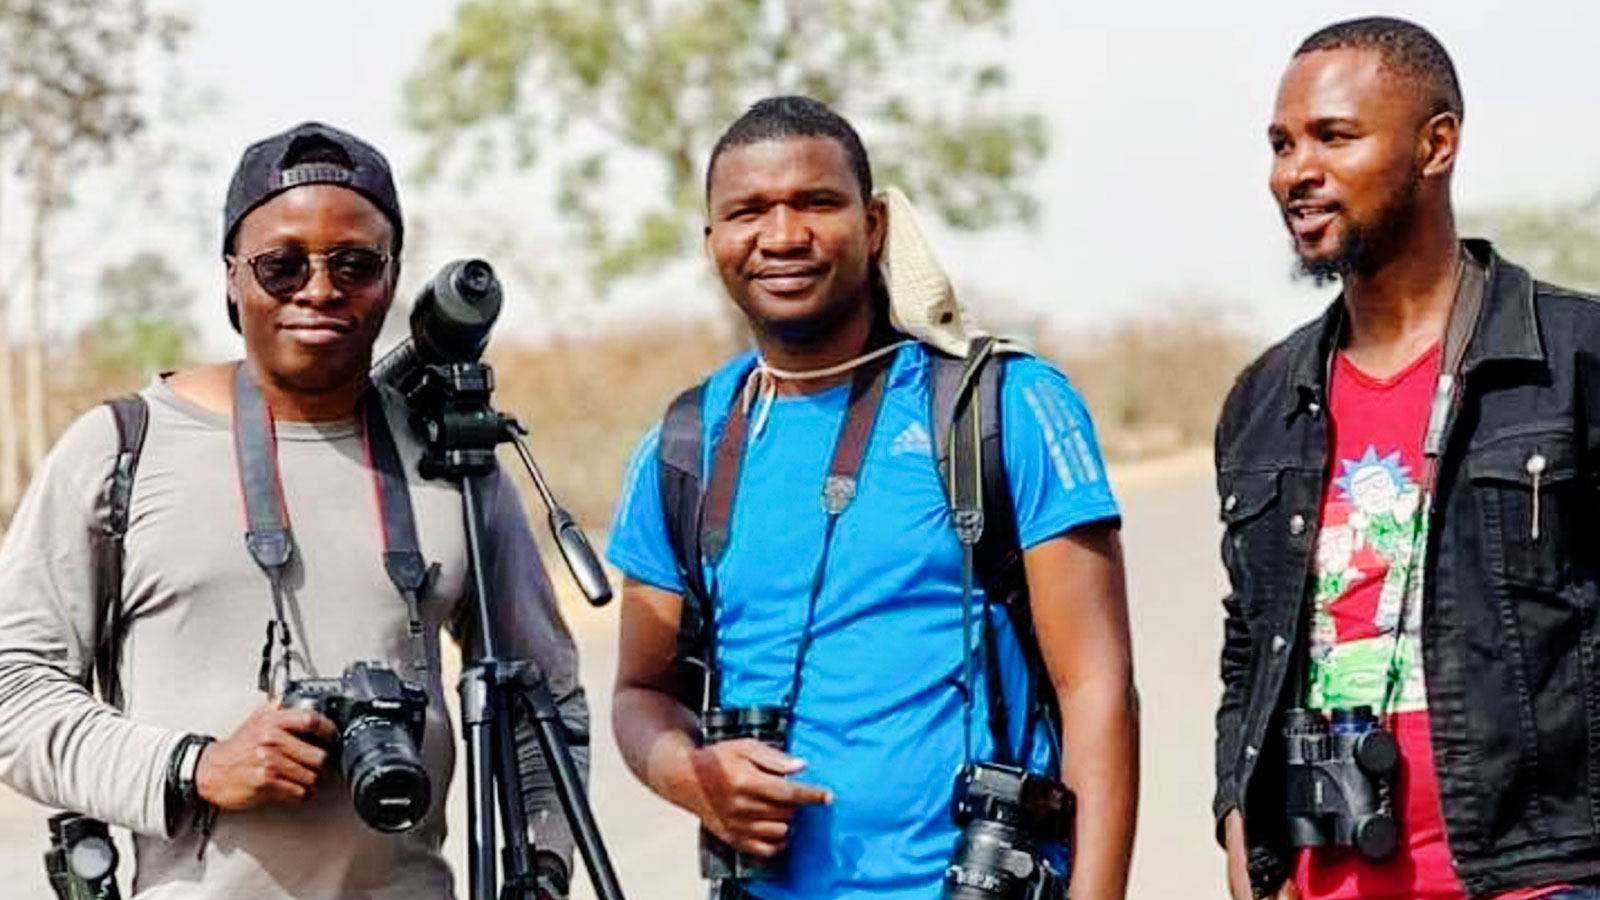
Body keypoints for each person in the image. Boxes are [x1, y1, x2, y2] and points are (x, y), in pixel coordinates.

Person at [0, 122, 587, 899]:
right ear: (230, 276)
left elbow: (543, 701)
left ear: (391, 276)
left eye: (354, 264)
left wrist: (539, 870)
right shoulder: (120, 448)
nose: (319, 289)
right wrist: (193, 766)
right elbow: (13, 685)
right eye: (281, 265)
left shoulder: (453, 456)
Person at [607, 96, 1138, 900]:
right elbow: (642, 691)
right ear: (713, 241)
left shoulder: (1000, 408)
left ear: (877, 223)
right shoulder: (685, 448)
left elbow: (1096, 688)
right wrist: (688, 773)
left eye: (817, 203)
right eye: (748, 211)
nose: (783, 235)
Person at [1214, 16, 1600, 900]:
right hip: (1324, 879)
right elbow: (1250, 645)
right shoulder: (1262, 400)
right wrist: (1242, 823)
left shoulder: (1574, 359)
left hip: (1540, 878)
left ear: (1437, 144)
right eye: (1281, 143)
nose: (1295, 171)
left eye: (1333, 137)